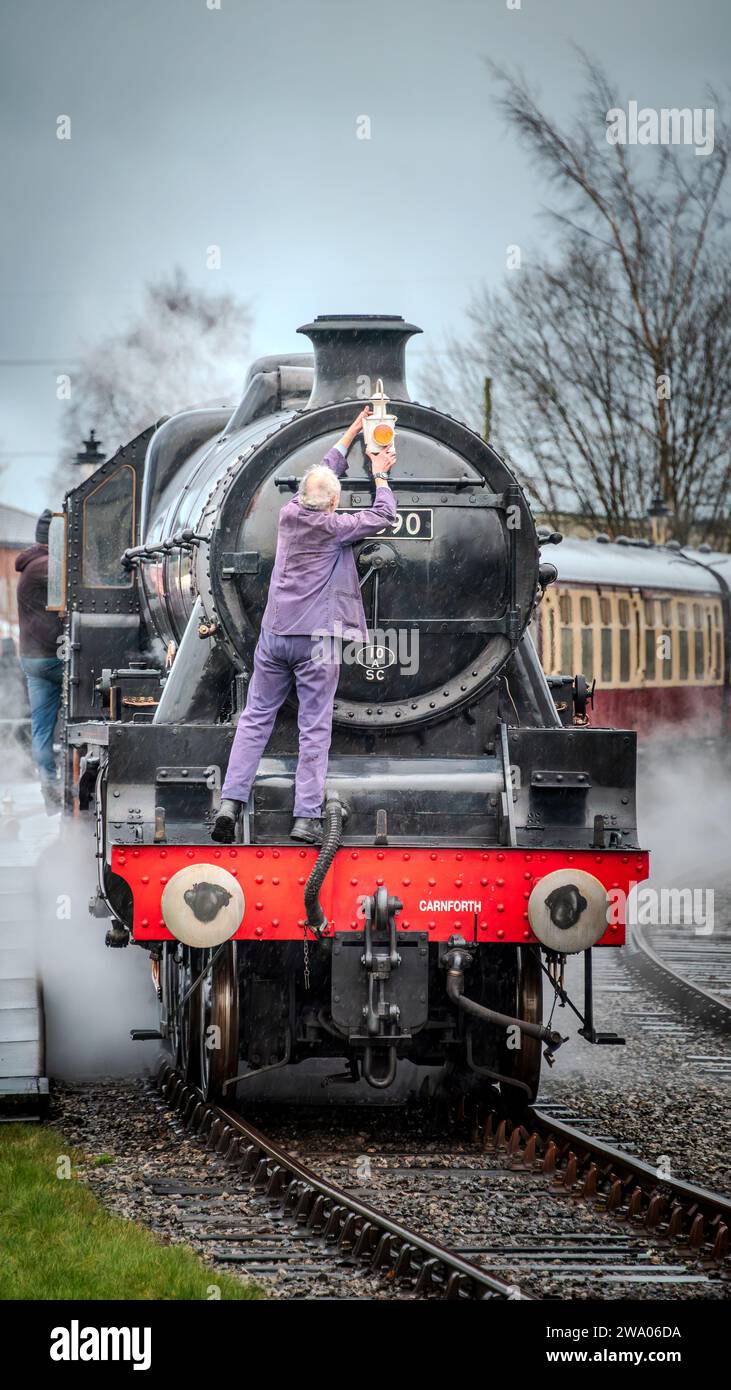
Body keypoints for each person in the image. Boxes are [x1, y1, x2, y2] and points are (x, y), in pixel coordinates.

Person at [212, 406, 397, 845]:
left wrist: (350, 433)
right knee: (313, 726)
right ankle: (306, 818)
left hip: (276, 636)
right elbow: (383, 514)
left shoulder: (289, 515)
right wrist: (381, 473)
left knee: (255, 717)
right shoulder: (337, 526)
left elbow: (319, 476)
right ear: (333, 503)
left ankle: (230, 802)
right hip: (317, 643)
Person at [16, 509, 63, 810]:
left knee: (42, 729)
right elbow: (77, 577)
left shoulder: (30, 565)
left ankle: (50, 785)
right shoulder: (45, 566)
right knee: (94, 688)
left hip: (32, 657)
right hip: (50, 658)